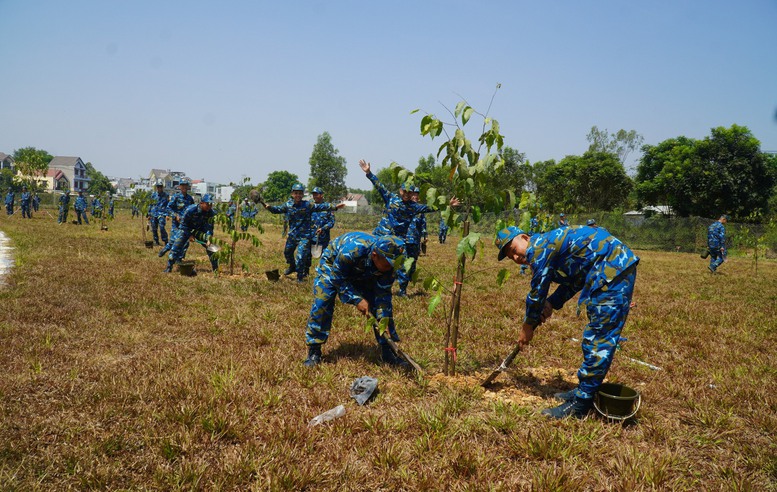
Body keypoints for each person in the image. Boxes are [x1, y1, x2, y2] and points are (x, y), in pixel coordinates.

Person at [494, 224, 639, 419]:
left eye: (513, 249)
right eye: (510, 257)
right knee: (596, 337)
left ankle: (581, 405)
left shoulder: (539, 248)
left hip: (613, 269)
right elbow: (575, 279)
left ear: (525, 238)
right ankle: (584, 390)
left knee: (599, 339)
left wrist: (527, 327)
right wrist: (552, 303)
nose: (516, 257)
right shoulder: (548, 246)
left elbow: (537, 292)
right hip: (607, 268)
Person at [303, 232, 408, 368]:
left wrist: (383, 318)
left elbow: (383, 296)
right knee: (323, 301)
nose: (391, 269)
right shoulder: (353, 250)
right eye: (388, 265)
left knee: (381, 312)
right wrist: (357, 299)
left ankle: (389, 352)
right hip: (333, 266)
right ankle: (314, 350)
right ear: (375, 255)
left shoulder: (388, 267)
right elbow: (337, 277)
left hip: (364, 272)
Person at [264, 183, 345, 282]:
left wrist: (335, 207)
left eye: (300, 193)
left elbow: (321, 207)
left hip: (305, 236)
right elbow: (277, 210)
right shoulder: (288, 205)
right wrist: (267, 206)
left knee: (301, 256)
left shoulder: (308, 205)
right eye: (296, 193)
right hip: (293, 235)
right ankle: (292, 266)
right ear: (292, 194)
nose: (298, 195)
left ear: (302, 195)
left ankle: (300, 277)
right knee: (287, 253)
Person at [360, 159, 458, 239]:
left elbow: (430, 207)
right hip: (381, 236)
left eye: (409, 192)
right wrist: (369, 173)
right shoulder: (391, 198)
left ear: (412, 193)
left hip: (397, 240)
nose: (406, 194)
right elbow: (379, 186)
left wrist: (448, 204)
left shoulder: (414, 207)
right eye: (405, 191)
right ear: (400, 191)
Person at [164, 194, 219, 273]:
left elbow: (209, 227)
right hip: (186, 229)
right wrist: (189, 235)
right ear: (201, 203)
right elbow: (183, 224)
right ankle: (169, 267)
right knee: (176, 246)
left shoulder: (211, 213)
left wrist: (209, 238)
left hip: (199, 231)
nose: (209, 206)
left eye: (211, 204)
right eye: (208, 204)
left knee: (212, 247)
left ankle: (215, 269)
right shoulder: (191, 209)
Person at [397, 186, 426, 297]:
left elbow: (423, 224)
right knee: (404, 264)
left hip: (415, 240)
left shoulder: (419, 209)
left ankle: (405, 281)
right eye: (413, 194)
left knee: (413, 264)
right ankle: (402, 290)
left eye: (416, 194)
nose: (414, 196)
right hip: (404, 239)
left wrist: (424, 235)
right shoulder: (404, 206)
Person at [158, 179, 194, 257]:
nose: (184, 187)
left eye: (185, 185)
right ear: (179, 186)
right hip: (176, 224)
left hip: (186, 225)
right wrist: (175, 215)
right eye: (182, 185)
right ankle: (165, 249)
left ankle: (180, 260)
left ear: (187, 187)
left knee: (185, 243)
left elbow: (193, 211)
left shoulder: (190, 199)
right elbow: (168, 208)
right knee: (173, 241)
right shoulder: (176, 197)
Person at [310, 187, 336, 251]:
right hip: (311, 237)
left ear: (321, 195)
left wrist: (323, 228)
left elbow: (331, 222)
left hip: (324, 238)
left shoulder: (328, 207)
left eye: (316, 194)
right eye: (313, 195)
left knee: (324, 258)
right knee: (306, 258)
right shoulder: (310, 206)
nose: (315, 196)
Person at [149, 181, 169, 246]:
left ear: (162, 187)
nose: (159, 188)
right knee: (154, 228)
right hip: (153, 213)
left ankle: (165, 240)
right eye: (158, 187)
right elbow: (150, 204)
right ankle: (156, 241)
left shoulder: (166, 195)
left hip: (162, 214)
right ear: (156, 188)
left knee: (162, 226)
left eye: (160, 187)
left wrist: (167, 215)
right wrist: (149, 214)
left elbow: (168, 205)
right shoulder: (153, 195)